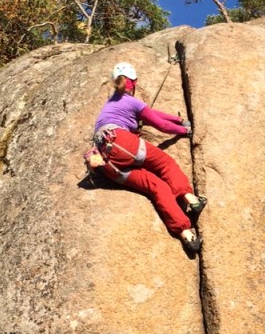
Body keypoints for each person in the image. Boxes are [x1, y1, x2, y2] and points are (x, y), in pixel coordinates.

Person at [85, 62, 206, 254]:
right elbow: (161, 126)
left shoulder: (110, 105)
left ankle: (187, 235)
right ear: (134, 83)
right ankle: (191, 200)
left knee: (157, 187)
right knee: (166, 164)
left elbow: (153, 114)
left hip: (107, 162)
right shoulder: (131, 102)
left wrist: (179, 120)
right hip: (122, 142)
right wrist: (185, 131)